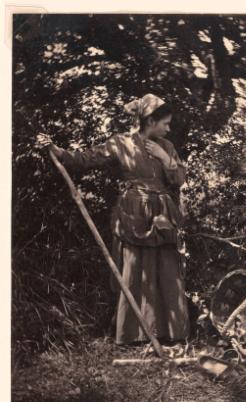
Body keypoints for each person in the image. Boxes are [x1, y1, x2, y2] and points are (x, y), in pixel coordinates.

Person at [37, 93, 190, 345]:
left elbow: (178, 179)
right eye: (165, 123)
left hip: (163, 214)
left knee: (166, 267)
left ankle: (170, 333)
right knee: (135, 268)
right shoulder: (121, 143)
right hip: (134, 212)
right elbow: (86, 159)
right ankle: (134, 334)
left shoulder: (168, 147)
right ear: (150, 120)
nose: (168, 128)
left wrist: (165, 158)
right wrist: (57, 151)